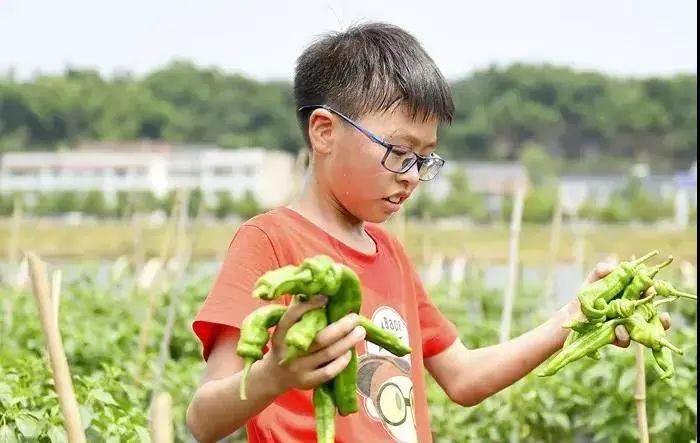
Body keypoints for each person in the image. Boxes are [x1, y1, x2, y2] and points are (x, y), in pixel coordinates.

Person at [185, 22, 671, 443]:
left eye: (424, 158)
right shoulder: (270, 242)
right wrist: (273, 375)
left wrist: (574, 315)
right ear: (324, 131)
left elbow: (462, 377)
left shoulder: (389, 253)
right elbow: (203, 420)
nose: (412, 174)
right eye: (398, 151)